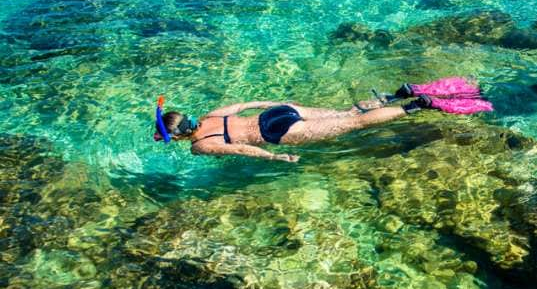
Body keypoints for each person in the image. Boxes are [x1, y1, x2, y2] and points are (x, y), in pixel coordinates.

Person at [154, 96, 429, 162]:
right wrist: (278, 102)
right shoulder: (209, 116)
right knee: (346, 113)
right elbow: (243, 105)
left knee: (354, 123)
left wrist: (275, 157)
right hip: (277, 112)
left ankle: (414, 106)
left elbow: (238, 148)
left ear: (178, 135)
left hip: (276, 133)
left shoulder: (199, 146)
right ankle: (392, 96)